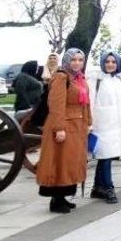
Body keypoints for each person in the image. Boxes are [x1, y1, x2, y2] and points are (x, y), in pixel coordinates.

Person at [35, 49, 92, 213]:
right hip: (64, 124)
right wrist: (59, 128)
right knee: (60, 162)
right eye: (73, 60)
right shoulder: (61, 77)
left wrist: (88, 122)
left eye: (80, 60)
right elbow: (56, 105)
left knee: (71, 162)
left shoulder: (79, 78)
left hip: (77, 126)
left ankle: (64, 197)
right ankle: (56, 200)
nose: (77, 63)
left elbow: (85, 103)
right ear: (67, 61)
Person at [89, 51, 121, 204]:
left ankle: (97, 187)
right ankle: (109, 188)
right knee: (105, 156)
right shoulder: (96, 79)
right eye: (107, 61)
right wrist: (90, 123)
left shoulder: (118, 80)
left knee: (106, 157)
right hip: (101, 124)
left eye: (113, 62)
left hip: (117, 124)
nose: (110, 64)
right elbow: (90, 101)